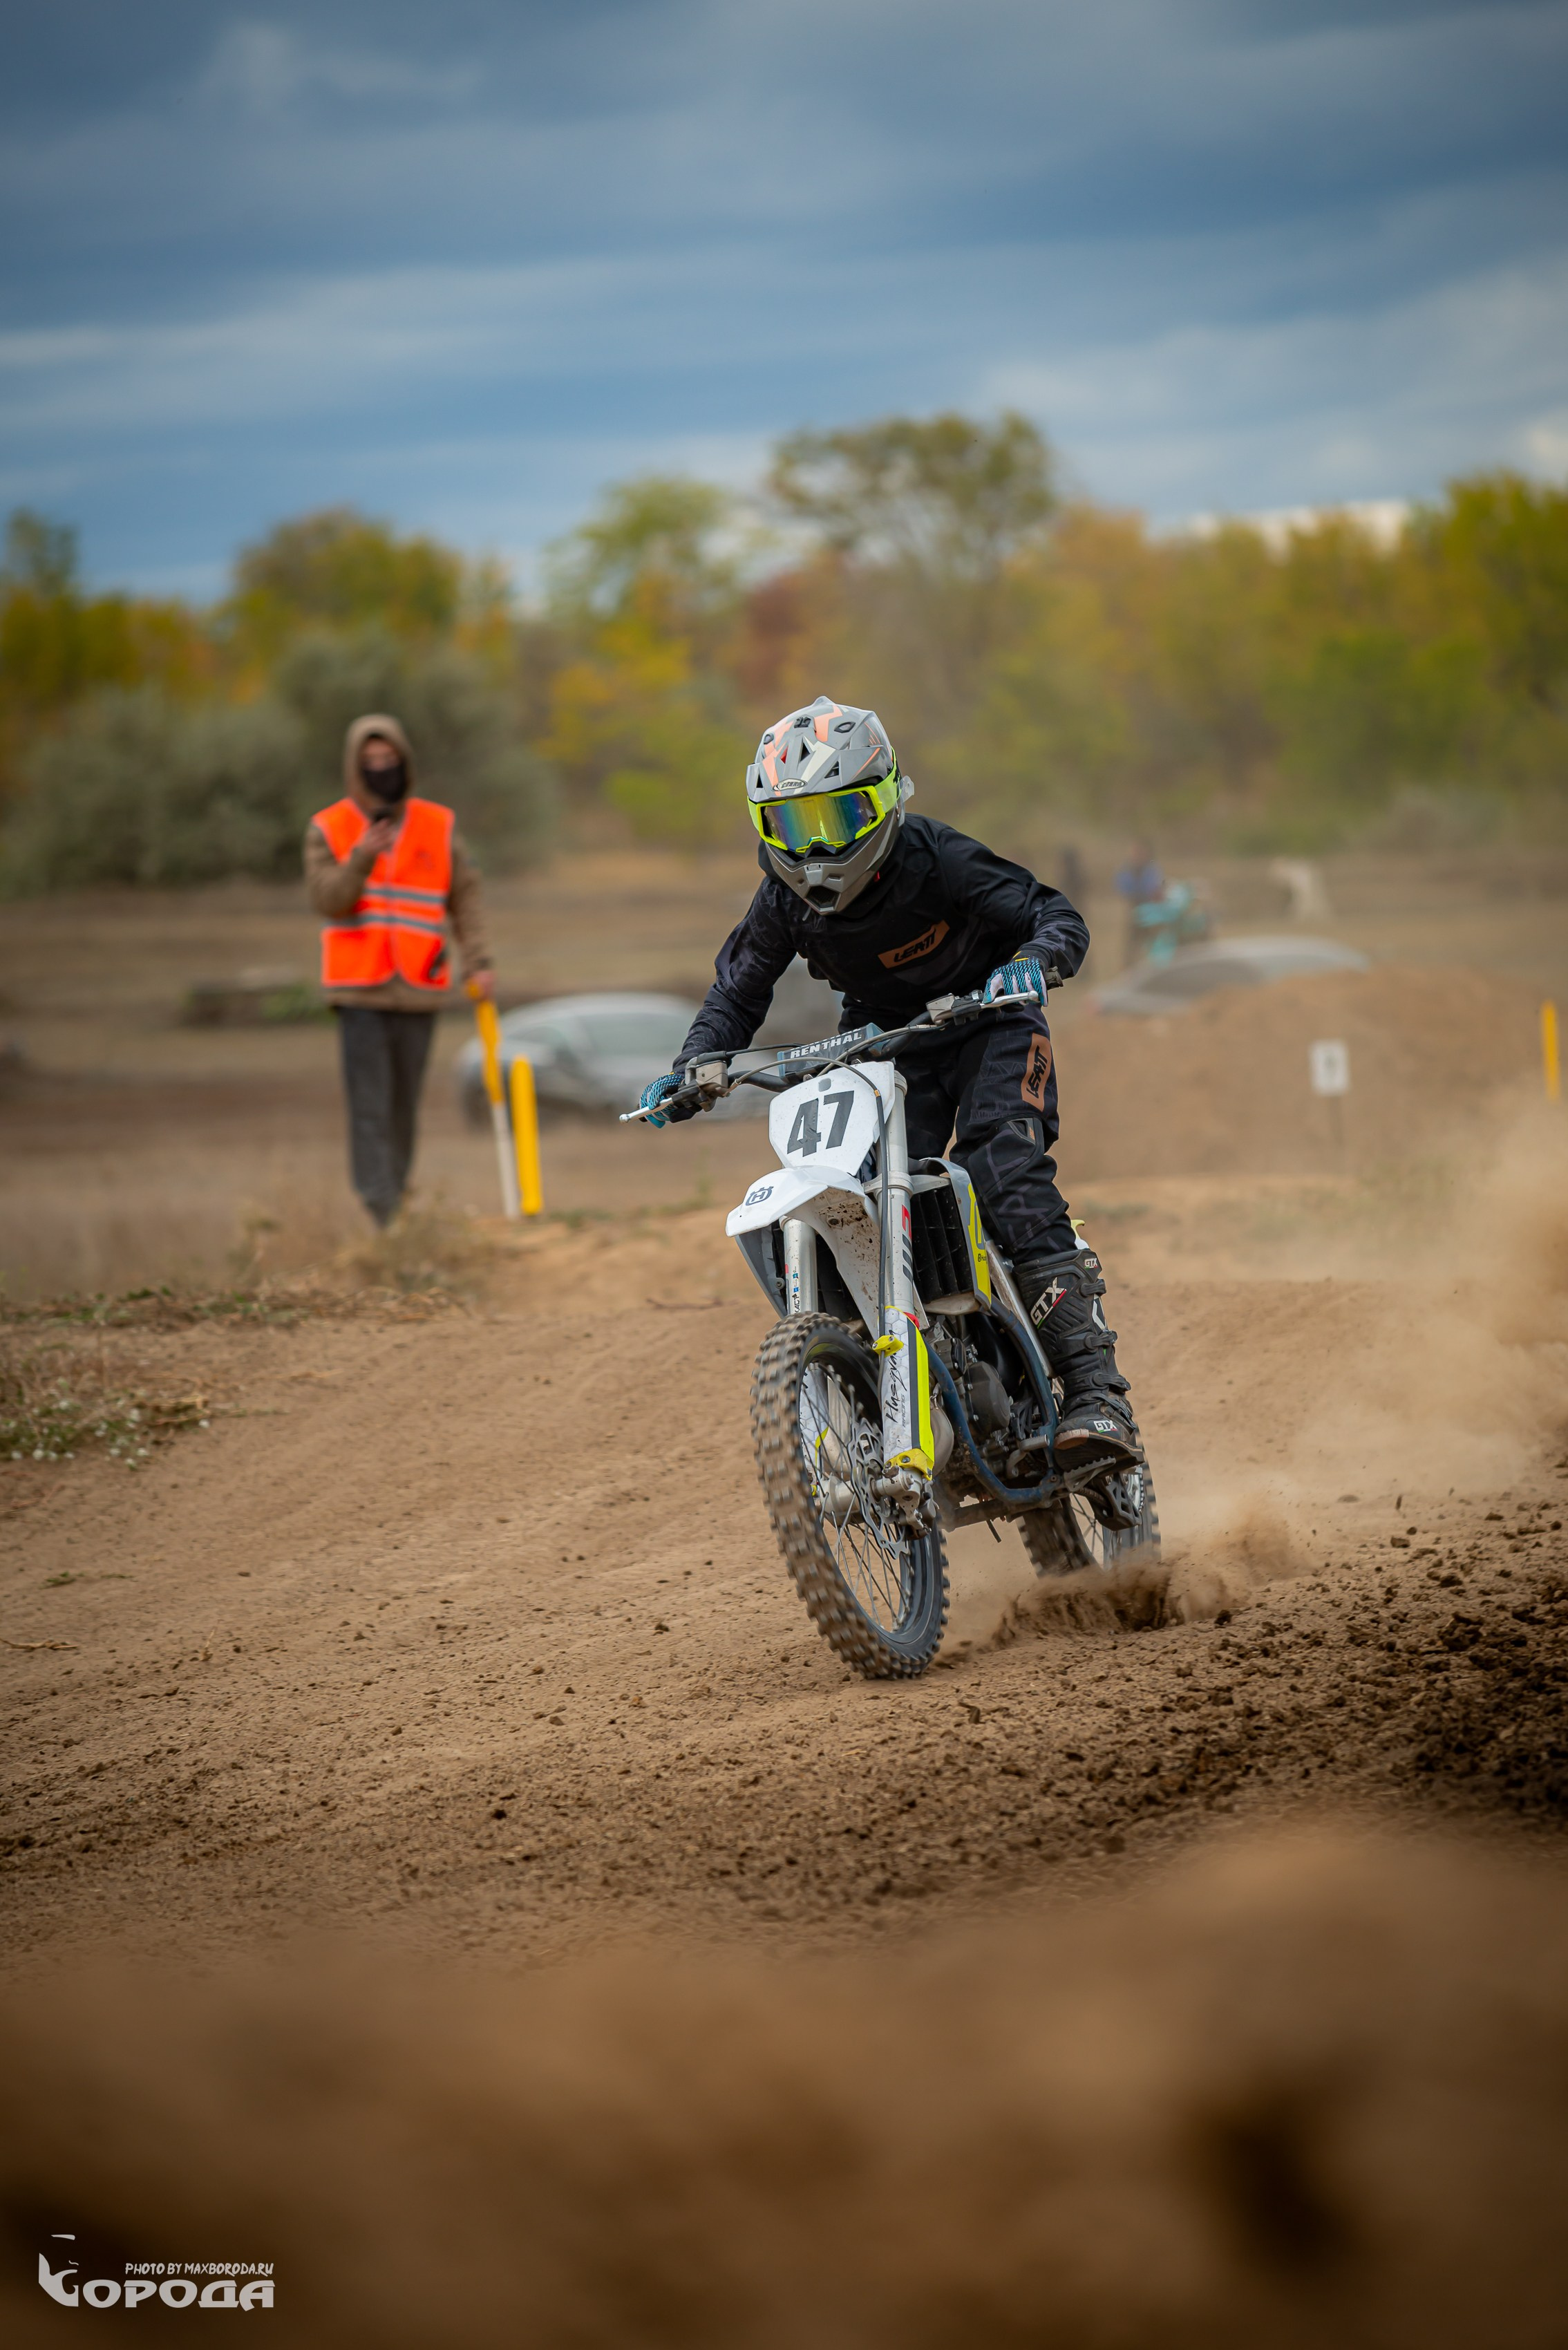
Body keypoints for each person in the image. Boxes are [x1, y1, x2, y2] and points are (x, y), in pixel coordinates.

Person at [638, 696, 1139, 1474]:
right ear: (764, 825)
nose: (816, 846)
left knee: (999, 1167)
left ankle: (1093, 1392)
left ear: (882, 801)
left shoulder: (936, 857)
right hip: (884, 1043)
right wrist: (694, 1065)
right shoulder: (780, 900)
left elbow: (1053, 914)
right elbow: (737, 991)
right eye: (794, 824)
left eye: (837, 818)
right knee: (857, 1192)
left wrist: (1032, 962)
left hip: (989, 1020)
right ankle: (904, 1377)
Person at [304, 713, 494, 1228]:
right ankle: (382, 1208)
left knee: (404, 1106)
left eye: (388, 759)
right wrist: (361, 859)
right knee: (370, 1107)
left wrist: (478, 962)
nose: (381, 768)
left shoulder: (438, 825)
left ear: (404, 762)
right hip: (359, 990)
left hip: (419, 986)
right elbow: (327, 900)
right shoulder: (329, 827)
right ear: (354, 766)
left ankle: (398, 1199)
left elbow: (466, 898)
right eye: (370, 761)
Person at [1114, 838, 1164, 966]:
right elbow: (1121, 887)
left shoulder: (1152, 869)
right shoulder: (1127, 870)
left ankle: (1152, 966)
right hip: (1134, 909)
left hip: (1150, 911)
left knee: (1152, 942)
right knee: (1131, 944)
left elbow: (1156, 888)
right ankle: (1128, 967)